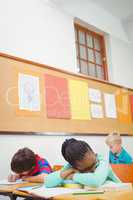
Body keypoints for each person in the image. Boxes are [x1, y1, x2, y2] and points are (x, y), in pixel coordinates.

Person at [45, 138, 120, 188]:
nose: (91, 171)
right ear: (74, 166)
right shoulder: (72, 166)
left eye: (93, 165)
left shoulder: (102, 160)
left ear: (93, 152)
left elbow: (95, 181)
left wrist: (72, 176)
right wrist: (67, 172)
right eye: (87, 169)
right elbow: (48, 182)